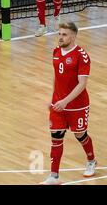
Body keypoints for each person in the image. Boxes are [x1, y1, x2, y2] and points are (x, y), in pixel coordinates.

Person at [41, 22, 96, 184]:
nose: (60, 37)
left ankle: (91, 160)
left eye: (64, 34)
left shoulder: (82, 56)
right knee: (56, 138)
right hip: (58, 105)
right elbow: (56, 78)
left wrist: (65, 101)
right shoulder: (56, 52)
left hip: (77, 105)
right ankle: (53, 176)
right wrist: (54, 98)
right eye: (59, 34)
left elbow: (82, 84)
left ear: (73, 36)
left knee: (80, 135)